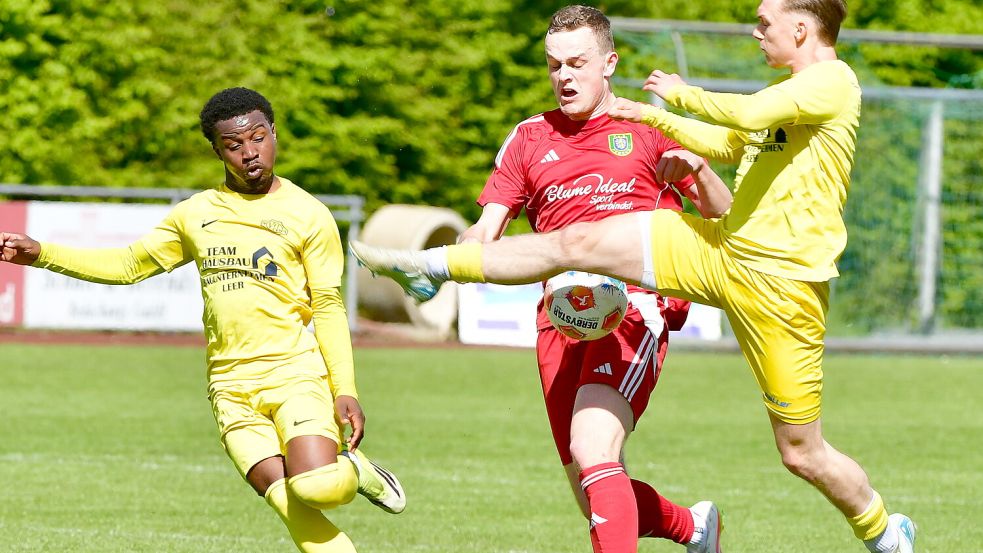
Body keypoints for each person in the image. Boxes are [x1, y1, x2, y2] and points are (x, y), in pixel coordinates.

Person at [350, 0, 918, 551]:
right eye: (555, 65)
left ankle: (884, 534)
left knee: (799, 453)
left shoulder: (832, 84)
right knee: (591, 469)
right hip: (702, 261)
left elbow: (737, 128)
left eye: (762, 22)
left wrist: (668, 103)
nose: (754, 32)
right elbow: (730, 141)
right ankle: (431, 268)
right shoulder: (531, 135)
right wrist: (466, 253)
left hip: (762, 288)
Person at [0, 87, 405, 553]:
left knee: (316, 488)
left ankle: (354, 469)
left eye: (258, 138)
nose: (249, 153)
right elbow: (129, 265)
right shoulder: (196, 214)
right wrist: (42, 255)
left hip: (295, 371)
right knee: (291, 507)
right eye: (234, 146)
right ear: (217, 150)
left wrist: (345, 390)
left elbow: (329, 306)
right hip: (229, 385)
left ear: (274, 133)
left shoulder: (308, 214)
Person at [454, 6, 732, 553]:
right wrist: (452, 257)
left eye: (577, 63)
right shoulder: (530, 138)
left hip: (634, 309)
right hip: (561, 319)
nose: (564, 76)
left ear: (609, 63)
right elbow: (484, 231)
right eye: (554, 64)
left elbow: (723, 215)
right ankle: (695, 528)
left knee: (593, 446)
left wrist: (698, 169)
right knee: (593, 488)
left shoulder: (648, 128)